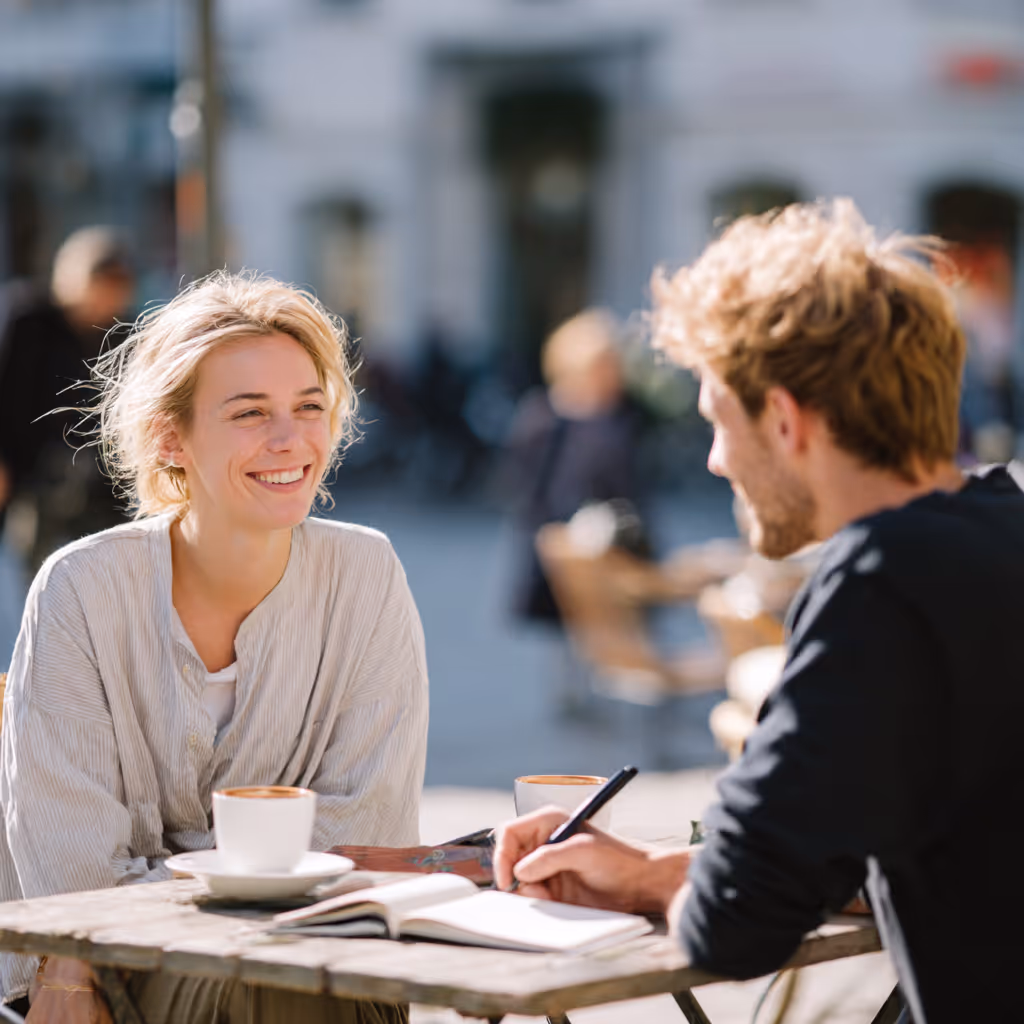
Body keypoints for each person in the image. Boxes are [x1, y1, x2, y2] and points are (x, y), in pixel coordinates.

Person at [495, 199, 1024, 1023]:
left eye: (716, 420)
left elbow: (734, 928)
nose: (713, 460)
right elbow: (834, 867)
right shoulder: (1000, 529)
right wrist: (643, 871)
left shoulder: (879, 581)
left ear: (784, 418)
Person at [0, 272, 428, 1023]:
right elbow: (74, 878)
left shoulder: (367, 574)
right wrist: (246, 882)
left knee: (281, 984)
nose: (290, 438)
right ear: (171, 437)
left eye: (309, 407)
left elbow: (366, 836)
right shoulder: (81, 590)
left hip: (319, 958)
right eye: (249, 412)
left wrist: (173, 874)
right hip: (120, 969)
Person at [0, 226, 136, 569]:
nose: (108, 298)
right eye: (102, 284)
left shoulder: (123, 333)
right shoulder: (27, 321)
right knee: (37, 573)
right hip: (31, 473)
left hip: (98, 483)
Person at [502, 309, 645, 626]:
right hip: (564, 550)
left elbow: (630, 491)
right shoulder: (543, 419)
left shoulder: (620, 416)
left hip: (616, 551)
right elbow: (533, 492)